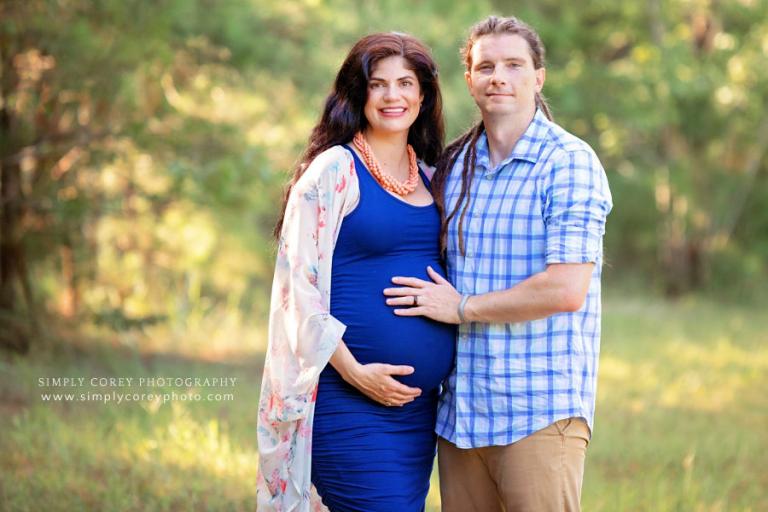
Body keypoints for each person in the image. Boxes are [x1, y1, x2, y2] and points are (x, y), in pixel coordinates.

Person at [384, 15, 613, 512]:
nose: (499, 77)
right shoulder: (452, 165)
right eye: (485, 66)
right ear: (469, 79)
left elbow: (565, 289)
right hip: (459, 415)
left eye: (514, 64)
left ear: (538, 77)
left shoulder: (568, 163)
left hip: (537, 412)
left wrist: (462, 306)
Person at [257, 32, 455, 511]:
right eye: (378, 84)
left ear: (423, 95)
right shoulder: (333, 171)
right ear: (357, 93)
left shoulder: (434, 176)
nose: (393, 96)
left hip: (416, 414)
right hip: (348, 401)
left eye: (405, 83)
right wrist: (355, 371)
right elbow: (296, 289)